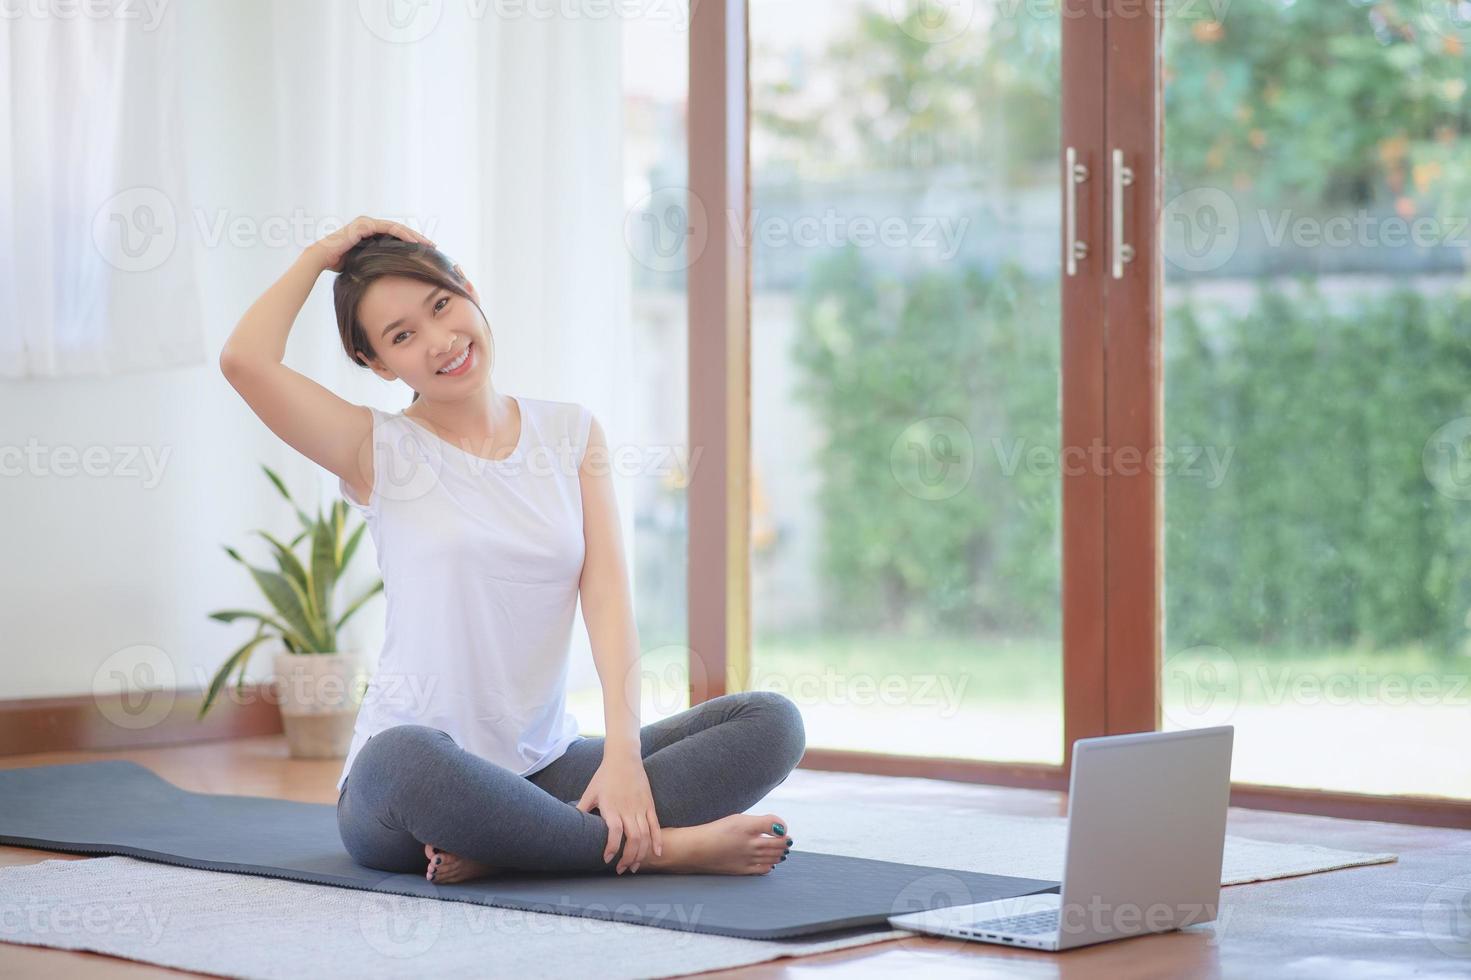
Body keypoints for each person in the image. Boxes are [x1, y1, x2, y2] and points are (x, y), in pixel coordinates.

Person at [220, 216, 805, 883]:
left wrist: (620, 759)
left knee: (769, 723)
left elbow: (608, 598)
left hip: (547, 769)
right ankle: (668, 849)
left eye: (441, 306)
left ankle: (513, 842)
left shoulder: (570, 431)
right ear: (377, 364)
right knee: (404, 757)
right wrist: (320, 254)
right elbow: (245, 361)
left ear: (467, 290)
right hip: (407, 788)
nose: (440, 342)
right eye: (402, 336)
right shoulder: (375, 449)